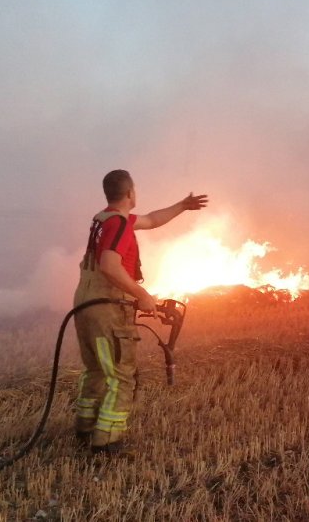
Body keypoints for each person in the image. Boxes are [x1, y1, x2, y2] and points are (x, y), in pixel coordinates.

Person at [73, 169, 208, 454]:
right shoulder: (119, 225)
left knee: (96, 369)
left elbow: (152, 219)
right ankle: (107, 441)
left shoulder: (104, 219)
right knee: (121, 374)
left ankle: (85, 427)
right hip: (106, 307)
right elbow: (110, 265)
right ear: (131, 193)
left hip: (85, 304)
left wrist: (182, 206)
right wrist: (142, 294)